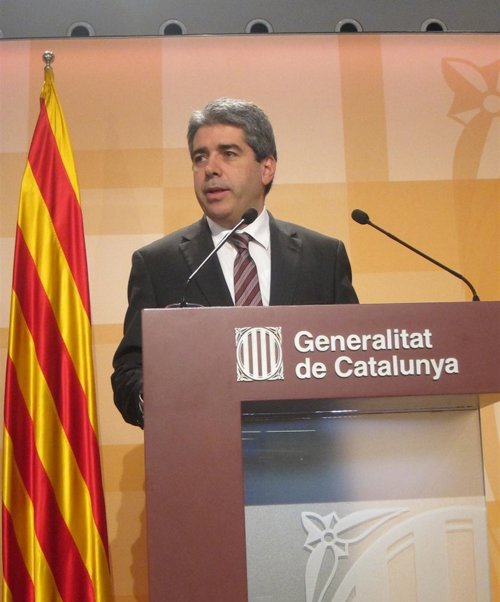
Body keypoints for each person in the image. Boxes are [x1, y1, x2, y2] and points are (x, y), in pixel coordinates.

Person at [111, 97, 358, 427]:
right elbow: (129, 373)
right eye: (200, 157)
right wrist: (158, 399)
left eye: (228, 153)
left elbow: (351, 358)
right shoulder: (158, 264)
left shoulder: (323, 258)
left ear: (266, 168)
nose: (210, 168)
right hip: (203, 446)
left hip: (307, 448)